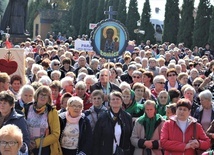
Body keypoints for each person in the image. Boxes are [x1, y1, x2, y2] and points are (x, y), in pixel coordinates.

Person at [24, 86, 62, 155]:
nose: (43, 97)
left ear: (49, 98)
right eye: (41, 94)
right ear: (37, 95)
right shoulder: (26, 108)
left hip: (44, 148)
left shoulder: (52, 111)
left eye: (46, 95)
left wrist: (36, 143)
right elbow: (20, 127)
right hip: (27, 146)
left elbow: (56, 134)